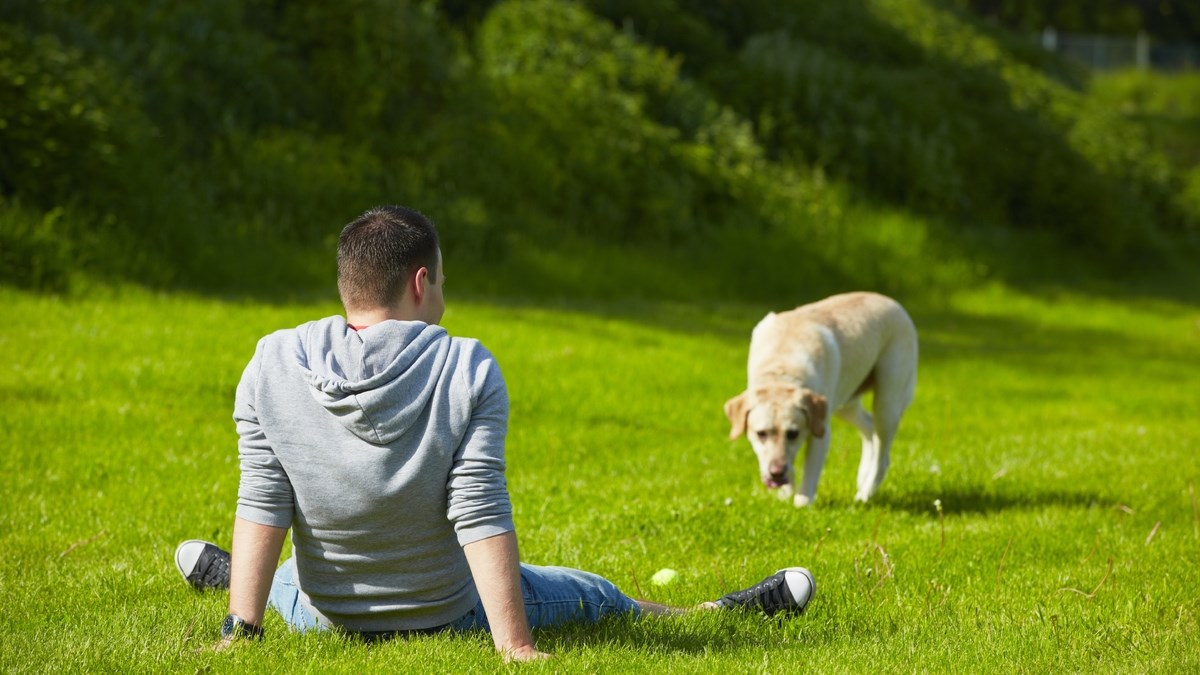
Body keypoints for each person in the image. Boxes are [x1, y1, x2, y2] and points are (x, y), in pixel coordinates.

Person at [175, 205, 815, 661]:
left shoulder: (272, 362)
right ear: (421, 282)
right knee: (591, 593)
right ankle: (712, 615)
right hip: (448, 612)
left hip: (325, 612)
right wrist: (513, 645)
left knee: (294, 581)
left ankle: (233, 584)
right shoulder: (464, 365)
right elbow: (477, 507)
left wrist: (240, 631)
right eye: (442, 281)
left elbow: (264, 498)